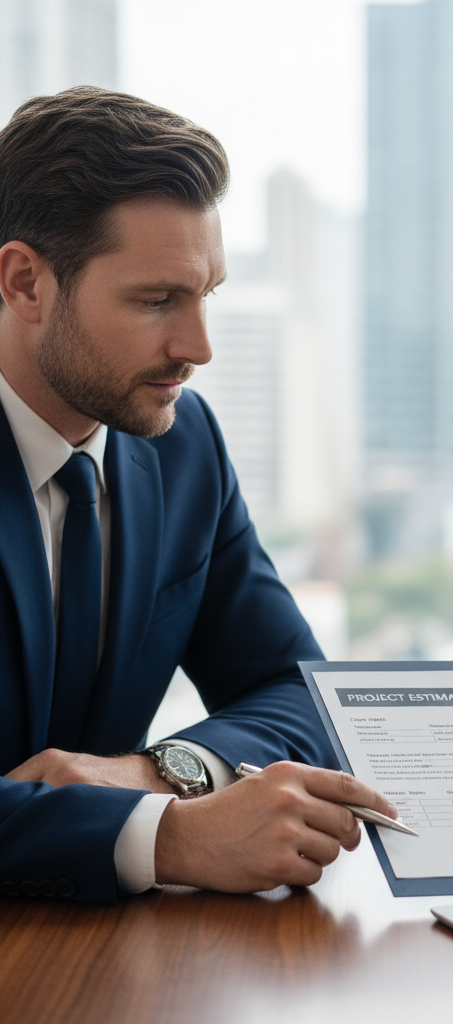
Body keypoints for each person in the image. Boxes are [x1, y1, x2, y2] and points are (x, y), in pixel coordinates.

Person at [0, 86, 396, 904]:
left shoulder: (183, 445)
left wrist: (157, 773)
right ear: (25, 282)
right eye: (155, 301)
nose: (199, 347)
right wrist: (167, 837)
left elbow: (301, 696)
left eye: (205, 293)